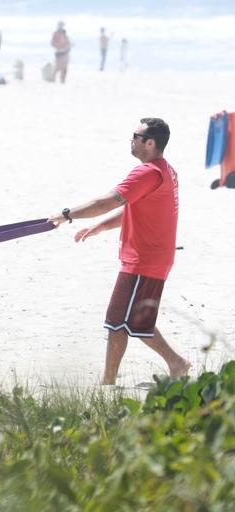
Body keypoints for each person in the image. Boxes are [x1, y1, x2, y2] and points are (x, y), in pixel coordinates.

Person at [47, 118, 190, 385]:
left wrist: (67, 215)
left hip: (143, 260)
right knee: (134, 322)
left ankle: (111, 380)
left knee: (118, 320)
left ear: (150, 142)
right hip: (154, 257)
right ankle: (174, 363)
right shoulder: (165, 171)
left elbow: (106, 202)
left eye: (135, 136)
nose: (131, 140)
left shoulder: (147, 172)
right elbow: (135, 208)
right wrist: (102, 226)